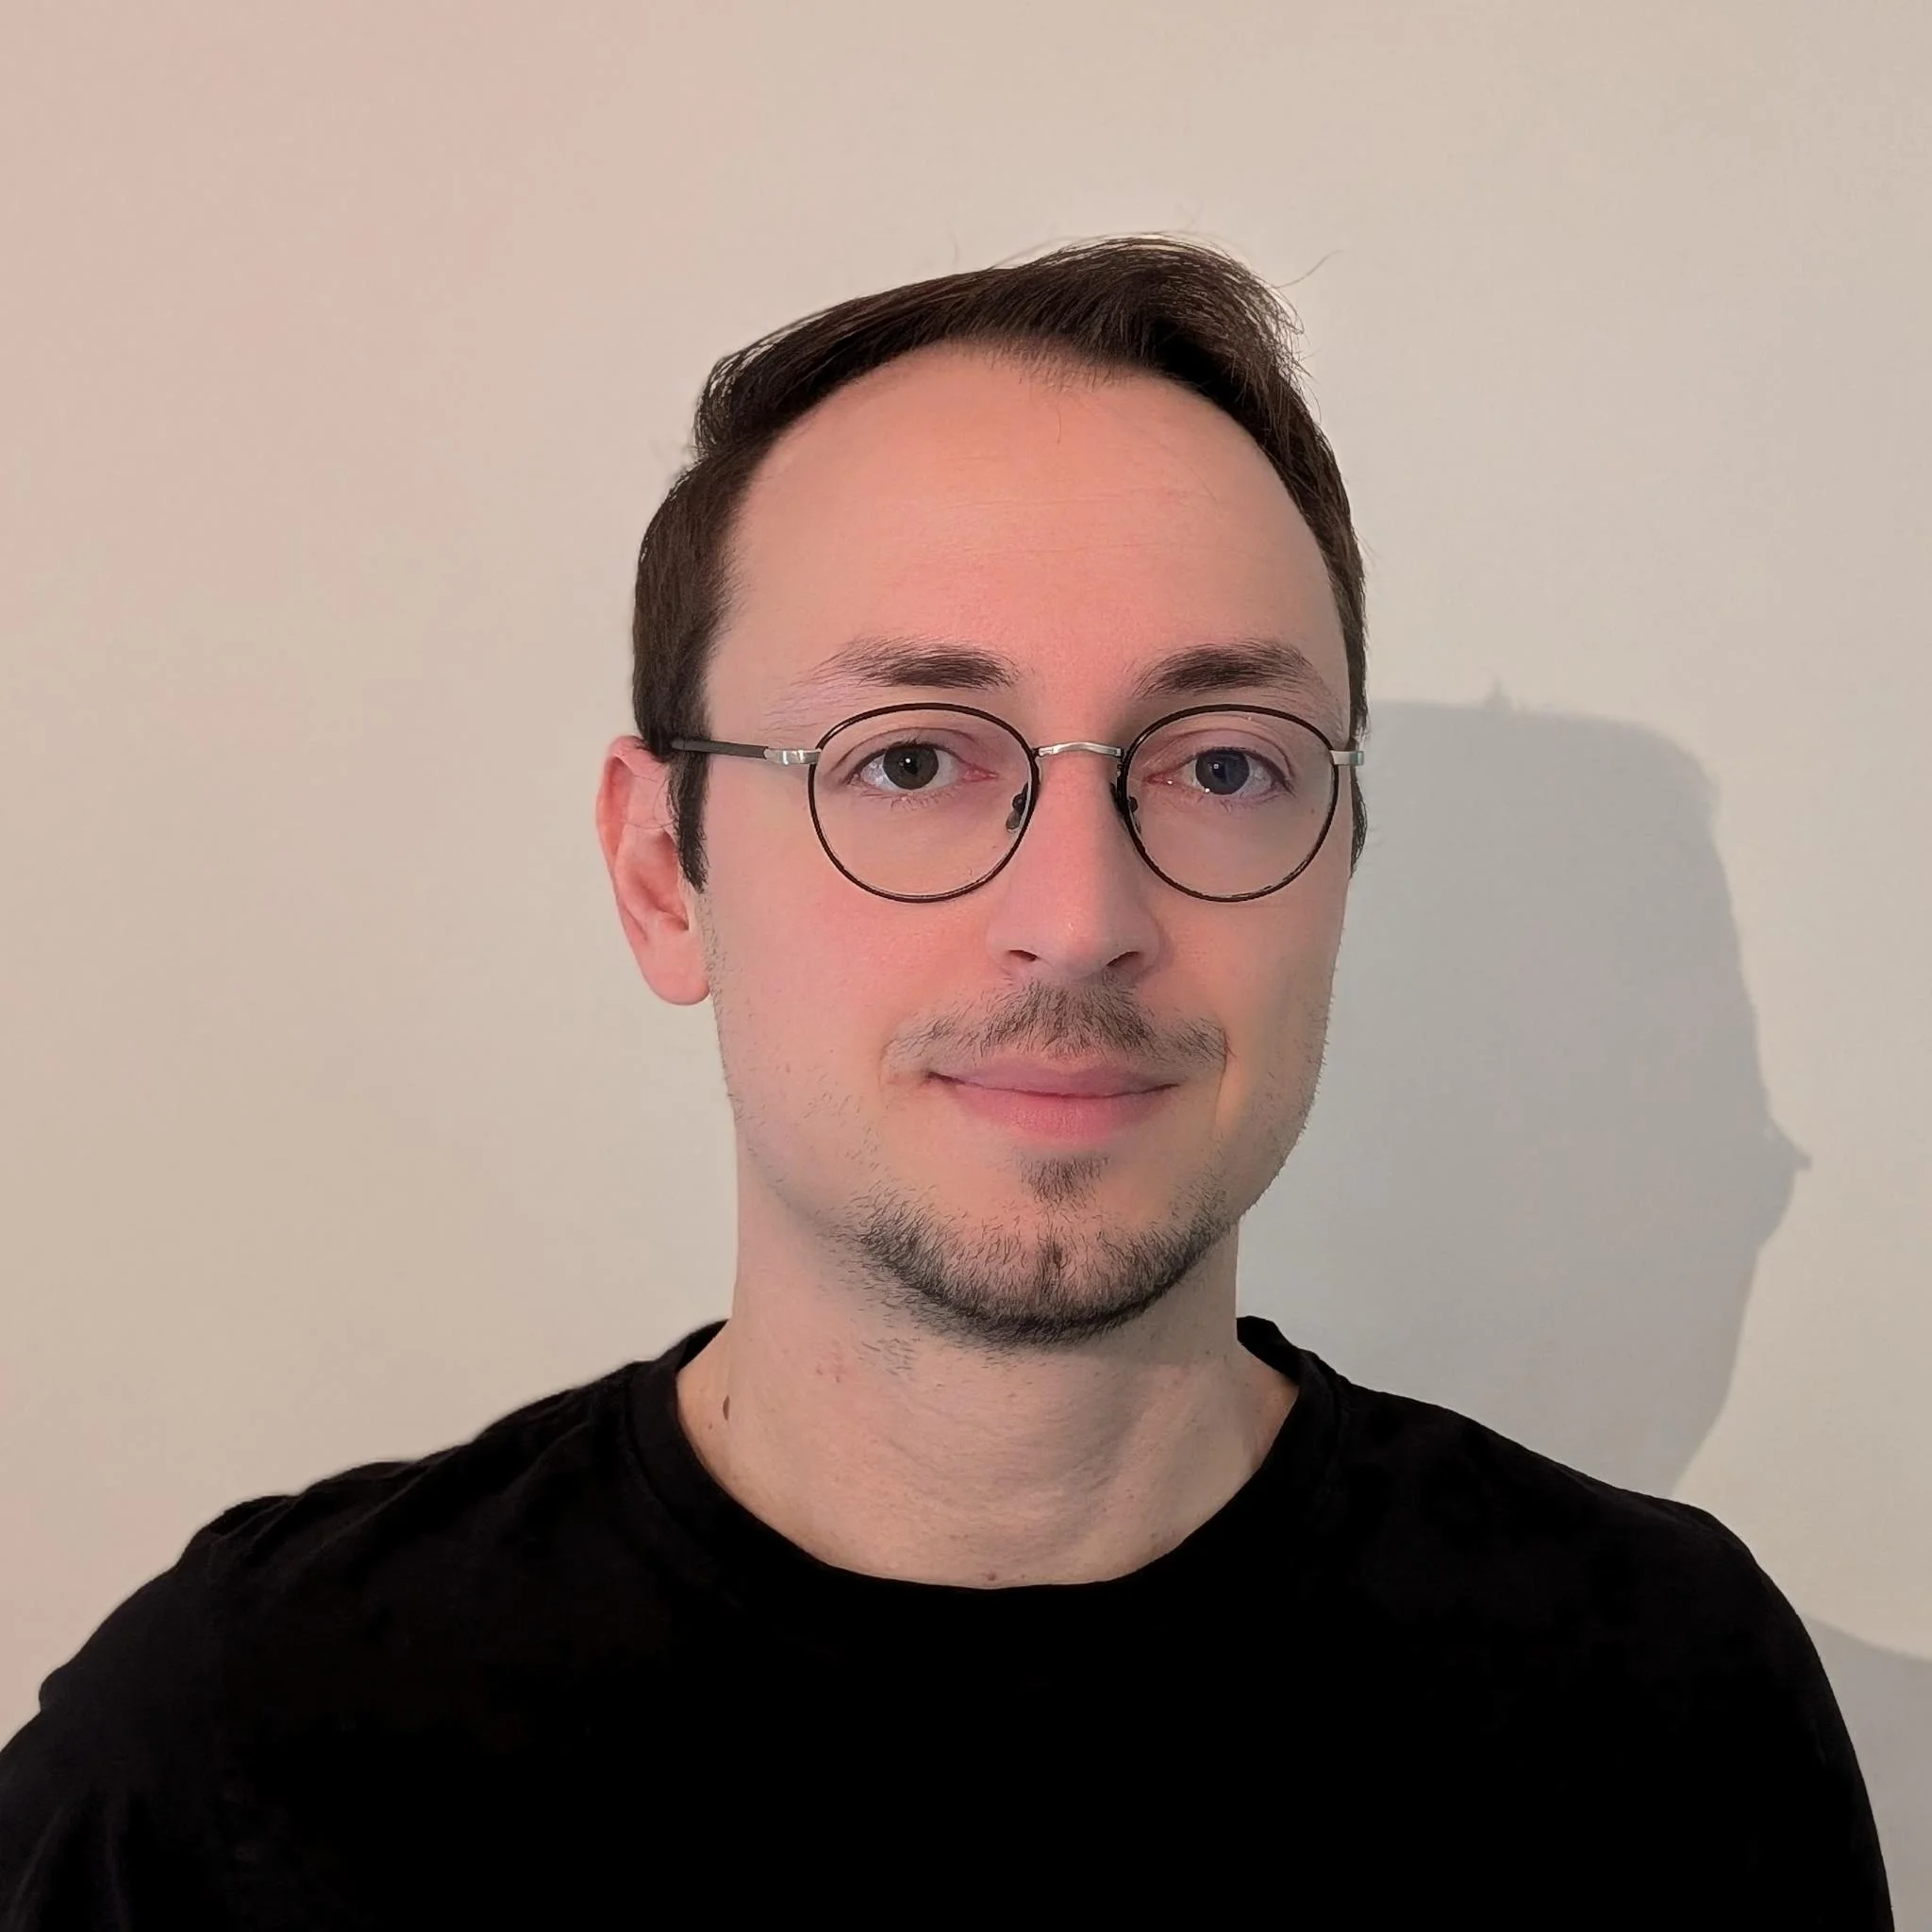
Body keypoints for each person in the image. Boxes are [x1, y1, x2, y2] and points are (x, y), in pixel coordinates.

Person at [0, 239, 1890, 1927]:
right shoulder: (236, 1752)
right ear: (663, 872)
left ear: (1340, 866)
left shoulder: (1665, 1703)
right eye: (911, 759)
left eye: (1223, 764)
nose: (1078, 920)